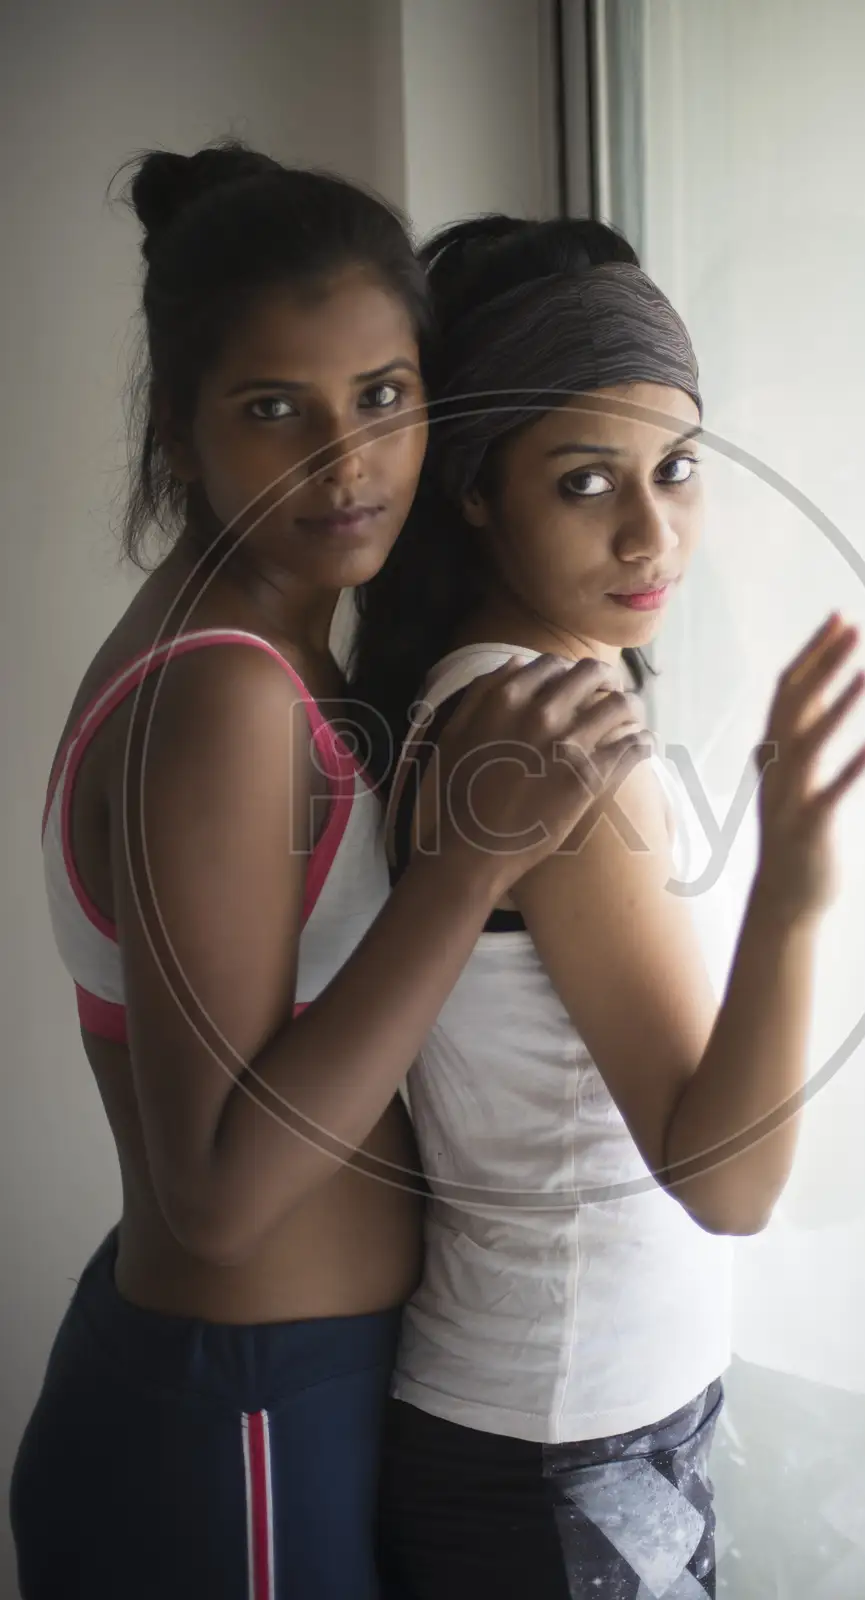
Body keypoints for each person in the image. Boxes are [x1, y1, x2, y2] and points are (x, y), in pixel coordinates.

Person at [9, 151, 649, 1600]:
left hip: (267, 1389)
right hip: (241, 1410)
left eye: (381, 396)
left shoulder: (263, 645)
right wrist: (461, 871)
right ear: (178, 434)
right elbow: (220, 1203)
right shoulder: (224, 695)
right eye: (271, 411)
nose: (346, 463)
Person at [351, 215, 865, 1600]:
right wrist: (795, 896)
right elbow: (728, 1179)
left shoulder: (498, 695)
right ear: (478, 488)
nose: (654, 531)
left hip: (555, 1418)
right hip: (556, 1439)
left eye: (679, 469)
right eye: (588, 482)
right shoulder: (548, 739)